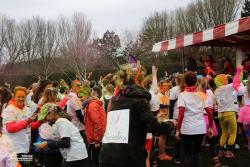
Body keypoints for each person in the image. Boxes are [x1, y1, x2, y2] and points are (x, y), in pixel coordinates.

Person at [99, 64, 175, 167]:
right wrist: (171, 124)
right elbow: (154, 126)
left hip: (106, 155)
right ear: (139, 81)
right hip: (128, 158)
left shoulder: (114, 99)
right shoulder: (139, 100)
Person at [175, 72, 213, 167]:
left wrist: (178, 129)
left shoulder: (182, 95)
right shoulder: (201, 94)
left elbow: (181, 113)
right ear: (196, 82)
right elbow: (209, 112)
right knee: (197, 152)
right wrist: (210, 127)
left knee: (188, 154)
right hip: (200, 128)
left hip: (187, 129)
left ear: (185, 82)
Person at [2, 87, 40, 167]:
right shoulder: (9, 110)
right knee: (28, 165)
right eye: (18, 97)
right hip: (13, 149)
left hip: (25, 147)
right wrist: (27, 121)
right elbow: (10, 128)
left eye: (23, 97)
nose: (21, 99)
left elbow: (30, 126)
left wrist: (41, 122)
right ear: (14, 97)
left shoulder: (27, 109)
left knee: (29, 163)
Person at [214, 74, 238, 158]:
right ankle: (229, 152)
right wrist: (239, 71)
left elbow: (215, 103)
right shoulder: (228, 87)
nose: (227, 80)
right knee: (233, 132)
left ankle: (221, 152)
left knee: (224, 133)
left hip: (221, 114)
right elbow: (237, 79)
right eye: (225, 79)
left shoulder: (216, 90)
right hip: (230, 113)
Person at [84, 86, 106, 166]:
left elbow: (97, 123)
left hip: (94, 138)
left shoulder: (92, 105)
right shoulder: (94, 104)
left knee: (95, 161)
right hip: (95, 137)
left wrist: (97, 140)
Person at [157, 80, 173, 160]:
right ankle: (161, 155)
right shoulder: (159, 95)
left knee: (164, 137)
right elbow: (160, 106)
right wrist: (170, 106)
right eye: (165, 85)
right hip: (161, 118)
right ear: (160, 86)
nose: (166, 87)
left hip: (166, 118)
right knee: (162, 137)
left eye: (167, 85)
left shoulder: (165, 95)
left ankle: (163, 153)